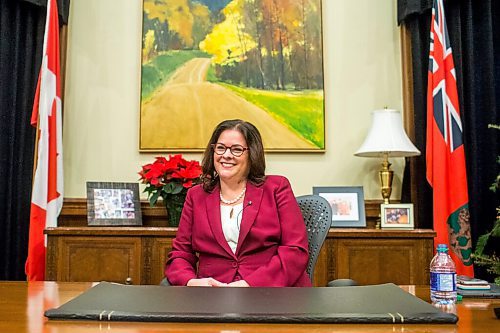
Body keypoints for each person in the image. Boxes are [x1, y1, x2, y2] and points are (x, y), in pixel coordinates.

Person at [165, 119, 311, 287]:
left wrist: (249, 284)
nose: (226, 155)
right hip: (212, 297)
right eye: (220, 148)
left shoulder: (276, 188)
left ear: (252, 154)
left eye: (236, 149)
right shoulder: (196, 195)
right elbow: (180, 254)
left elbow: (295, 250)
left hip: (270, 294)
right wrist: (191, 282)